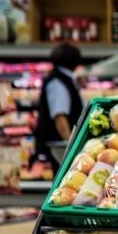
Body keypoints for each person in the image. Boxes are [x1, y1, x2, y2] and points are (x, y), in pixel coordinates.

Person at [31, 43, 83, 174]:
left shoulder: (63, 79)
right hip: (59, 148)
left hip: (59, 146)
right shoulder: (58, 82)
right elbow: (60, 117)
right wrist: (70, 146)